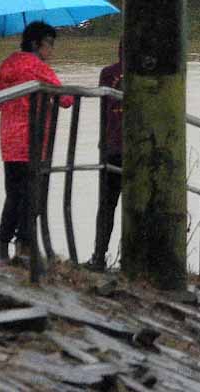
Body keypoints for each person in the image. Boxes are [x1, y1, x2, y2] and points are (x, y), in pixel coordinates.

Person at [0, 22, 72, 262]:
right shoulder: (39, 68)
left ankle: (3, 246)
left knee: (14, 194)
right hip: (35, 142)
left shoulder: (7, 64)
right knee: (33, 195)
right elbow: (66, 99)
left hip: (9, 143)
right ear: (37, 44)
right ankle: (23, 245)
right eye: (50, 44)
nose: (52, 51)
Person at [87, 42, 122, 271]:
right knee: (137, 208)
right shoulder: (146, 75)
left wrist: (102, 142)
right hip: (139, 150)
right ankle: (134, 258)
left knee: (107, 205)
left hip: (111, 147)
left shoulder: (107, 74)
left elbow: (103, 111)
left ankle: (99, 256)